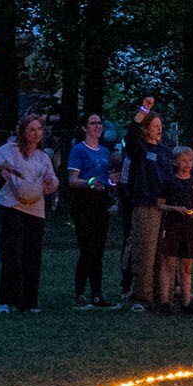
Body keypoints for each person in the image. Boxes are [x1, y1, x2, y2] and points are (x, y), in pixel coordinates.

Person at [0, 114, 60, 314]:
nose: (36, 133)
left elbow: (52, 179)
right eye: (32, 129)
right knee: (12, 254)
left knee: (32, 255)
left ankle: (29, 301)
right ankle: (7, 299)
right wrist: (4, 167)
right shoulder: (11, 150)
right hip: (13, 207)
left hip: (35, 209)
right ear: (23, 132)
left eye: (39, 129)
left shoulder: (43, 157)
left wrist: (51, 184)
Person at [60, 110, 111, 309]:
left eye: (99, 122)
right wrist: (90, 182)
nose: (98, 126)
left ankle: (97, 294)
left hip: (101, 202)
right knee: (87, 248)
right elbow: (72, 180)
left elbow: (105, 179)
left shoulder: (105, 151)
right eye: (93, 123)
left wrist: (111, 182)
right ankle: (80, 293)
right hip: (84, 203)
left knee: (99, 249)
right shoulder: (79, 150)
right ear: (84, 128)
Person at [120, 110, 168, 310]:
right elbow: (130, 135)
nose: (159, 130)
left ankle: (159, 295)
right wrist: (143, 111)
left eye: (160, 126)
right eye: (154, 126)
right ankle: (140, 297)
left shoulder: (164, 151)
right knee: (144, 254)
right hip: (145, 205)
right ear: (145, 129)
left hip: (164, 206)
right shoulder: (138, 149)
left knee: (161, 254)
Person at [155, 145, 193, 313]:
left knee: (187, 264)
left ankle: (187, 300)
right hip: (173, 226)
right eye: (183, 160)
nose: (187, 164)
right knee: (169, 262)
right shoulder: (169, 181)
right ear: (175, 162)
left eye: (190, 160)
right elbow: (160, 205)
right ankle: (165, 300)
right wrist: (176, 209)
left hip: (190, 228)